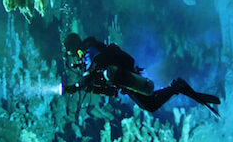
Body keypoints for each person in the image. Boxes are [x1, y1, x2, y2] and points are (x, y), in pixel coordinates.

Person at [62, 33, 221, 112]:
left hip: (124, 76)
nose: (75, 57)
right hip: (123, 80)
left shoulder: (89, 52)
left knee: (149, 105)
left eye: (72, 53)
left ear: (75, 48)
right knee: (150, 102)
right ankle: (176, 87)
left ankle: (177, 87)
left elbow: (92, 70)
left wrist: (75, 86)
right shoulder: (87, 53)